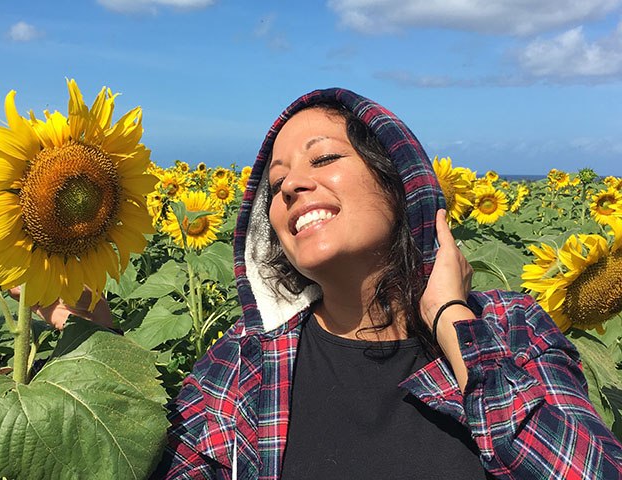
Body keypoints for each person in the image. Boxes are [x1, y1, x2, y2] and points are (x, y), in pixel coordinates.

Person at [149, 88, 622, 479]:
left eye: (324, 158)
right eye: (276, 185)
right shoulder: (244, 360)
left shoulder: (511, 328)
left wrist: (450, 318)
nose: (292, 186)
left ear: (399, 180)